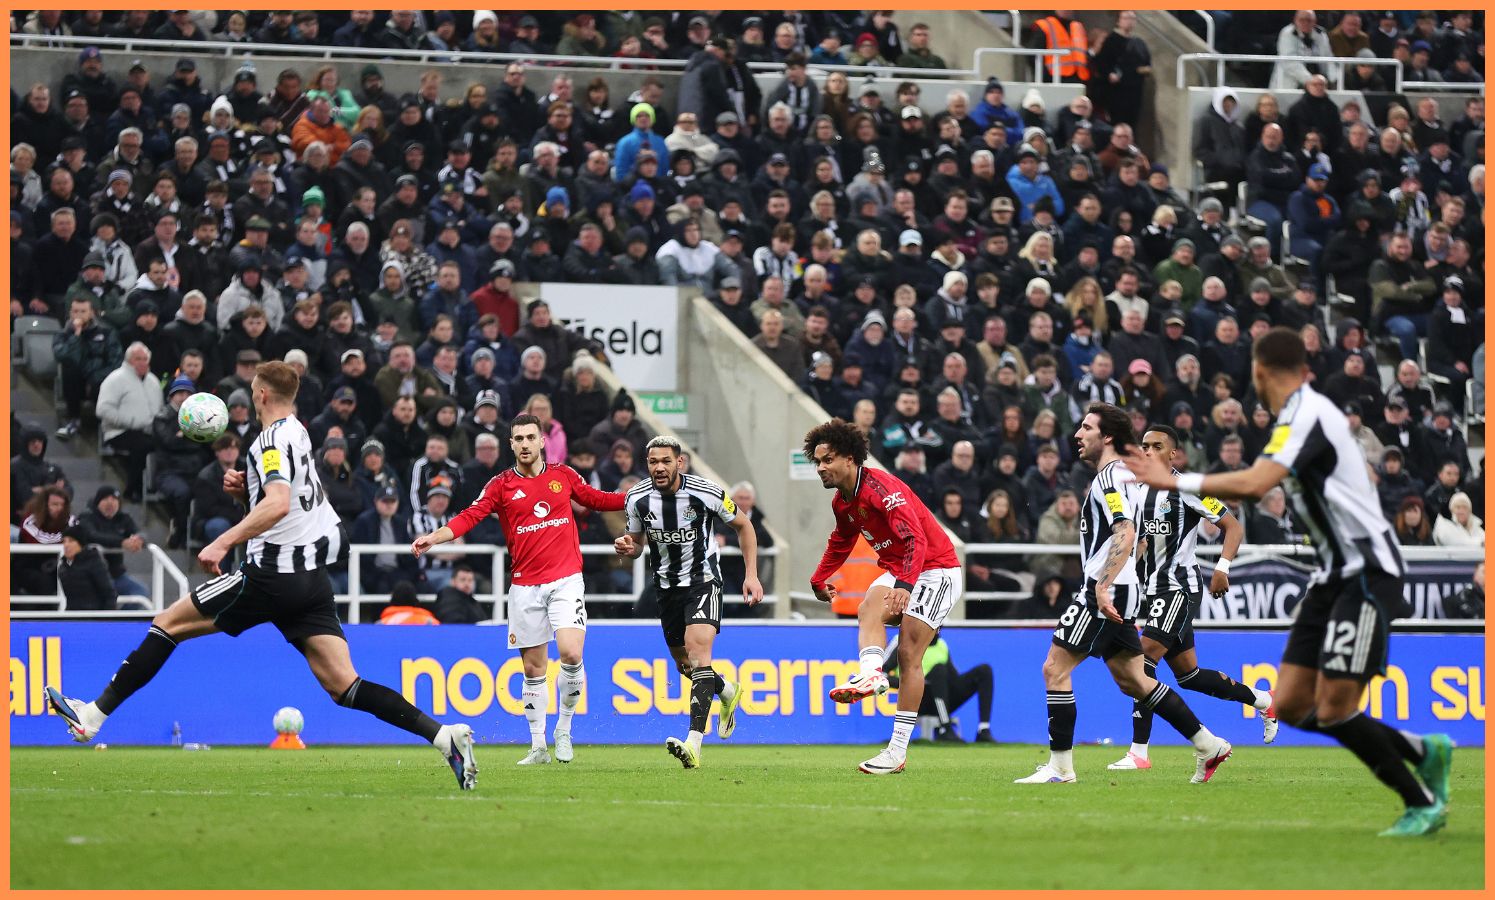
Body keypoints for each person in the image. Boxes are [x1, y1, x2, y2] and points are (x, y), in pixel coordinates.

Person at [46, 362, 479, 791]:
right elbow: (288, 505)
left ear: (262, 394)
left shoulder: (268, 441)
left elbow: (276, 505)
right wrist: (246, 493)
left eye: (254, 389)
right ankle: (445, 737)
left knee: (167, 625)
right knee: (345, 686)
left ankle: (92, 717)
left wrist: (221, 542)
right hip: (309, 579)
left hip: (270, 576)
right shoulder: (299, 431)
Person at [1128, 328, 1453, 836]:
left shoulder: (1308, 414)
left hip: (1367, 572)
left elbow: (1256, 484)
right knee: (1297, 704)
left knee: (1336, 706)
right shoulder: (1295, 420)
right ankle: (1423, 750)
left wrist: (1175, 481)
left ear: (1258, 372)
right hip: (1332, 575)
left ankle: (1421, 802)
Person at [1017, 403, 1232, 786]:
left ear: (1108, 436)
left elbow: (1126, 532)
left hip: (1106, 587)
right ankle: (1208, 743)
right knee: (1135, 680)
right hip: (1125, 586)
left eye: (1086, 428)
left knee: (1055, 668)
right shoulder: (1125, 477)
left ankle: (1060, 768)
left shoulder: (1110, 478)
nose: (1078, 435)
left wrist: (1100, 586)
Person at [413, 413, 628, 766]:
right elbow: (471, 515)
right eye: (519, 439)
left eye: (531, 437)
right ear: (511, 444)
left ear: (542, 441)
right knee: (533, 670)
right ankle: (538, 745)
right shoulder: (500, 485)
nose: (525, 444)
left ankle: (564, 728)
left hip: (566, 579)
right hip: (525, 585)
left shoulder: (563, 475)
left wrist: (637, 495)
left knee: (571, 654)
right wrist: (435, 537)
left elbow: (596, 499)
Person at [1107, 424, 1277, 771]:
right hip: (1149, 590)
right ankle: (1263, 700)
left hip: (1178, 588)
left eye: (1157, 446)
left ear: (1173, 454)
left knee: (1141, 663)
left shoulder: (1187, 488)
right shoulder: (1136, 490)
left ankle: (1139, 752)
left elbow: (1234, 526)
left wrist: (1222, 567)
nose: (1148, 451)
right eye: (1145, 445)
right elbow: (1140, 543)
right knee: (1190, 676)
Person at [803, 419, 961, 774]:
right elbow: (841, 541)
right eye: (816, 462)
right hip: (900, 567)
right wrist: (819, 577)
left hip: (936, 569)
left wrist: (905, 587)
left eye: (827, 460)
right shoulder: (842, 502)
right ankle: (873, 674)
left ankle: (897, 751)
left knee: (908, 653)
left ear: (849, 458)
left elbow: (915, 539)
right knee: (867, 607)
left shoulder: (883, 489)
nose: (820, 468)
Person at [613, 436, 763, 769]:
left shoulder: (706, 492)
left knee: (698, 653)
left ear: (679, 462)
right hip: (665, 588)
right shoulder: (636, 499)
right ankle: (726, 691)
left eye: (666, 461)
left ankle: (693, 743)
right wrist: (628, 547)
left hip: (703, 581)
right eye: (653, 462)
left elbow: (745, 526)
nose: (659, 467)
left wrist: (750, 575)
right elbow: (637, 544)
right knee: (685, 664)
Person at [883, 632, 996, 744]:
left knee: (984, 670)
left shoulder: (941, 644)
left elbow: (953, 678)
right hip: (916, 701)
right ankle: (945, 728)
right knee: (939, 669)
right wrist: (912, 683)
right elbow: (880, 674)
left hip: (942, 698)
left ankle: (983, 730)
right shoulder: (902, 640)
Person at [57, 525, 118, 611]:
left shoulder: (94, 562)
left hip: (93, 619)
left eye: (71, 541)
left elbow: (110, 594)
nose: (66, 545)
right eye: (64, 541)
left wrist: (106, 620)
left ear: (81, 544)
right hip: (72, 618)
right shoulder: (64, 566)